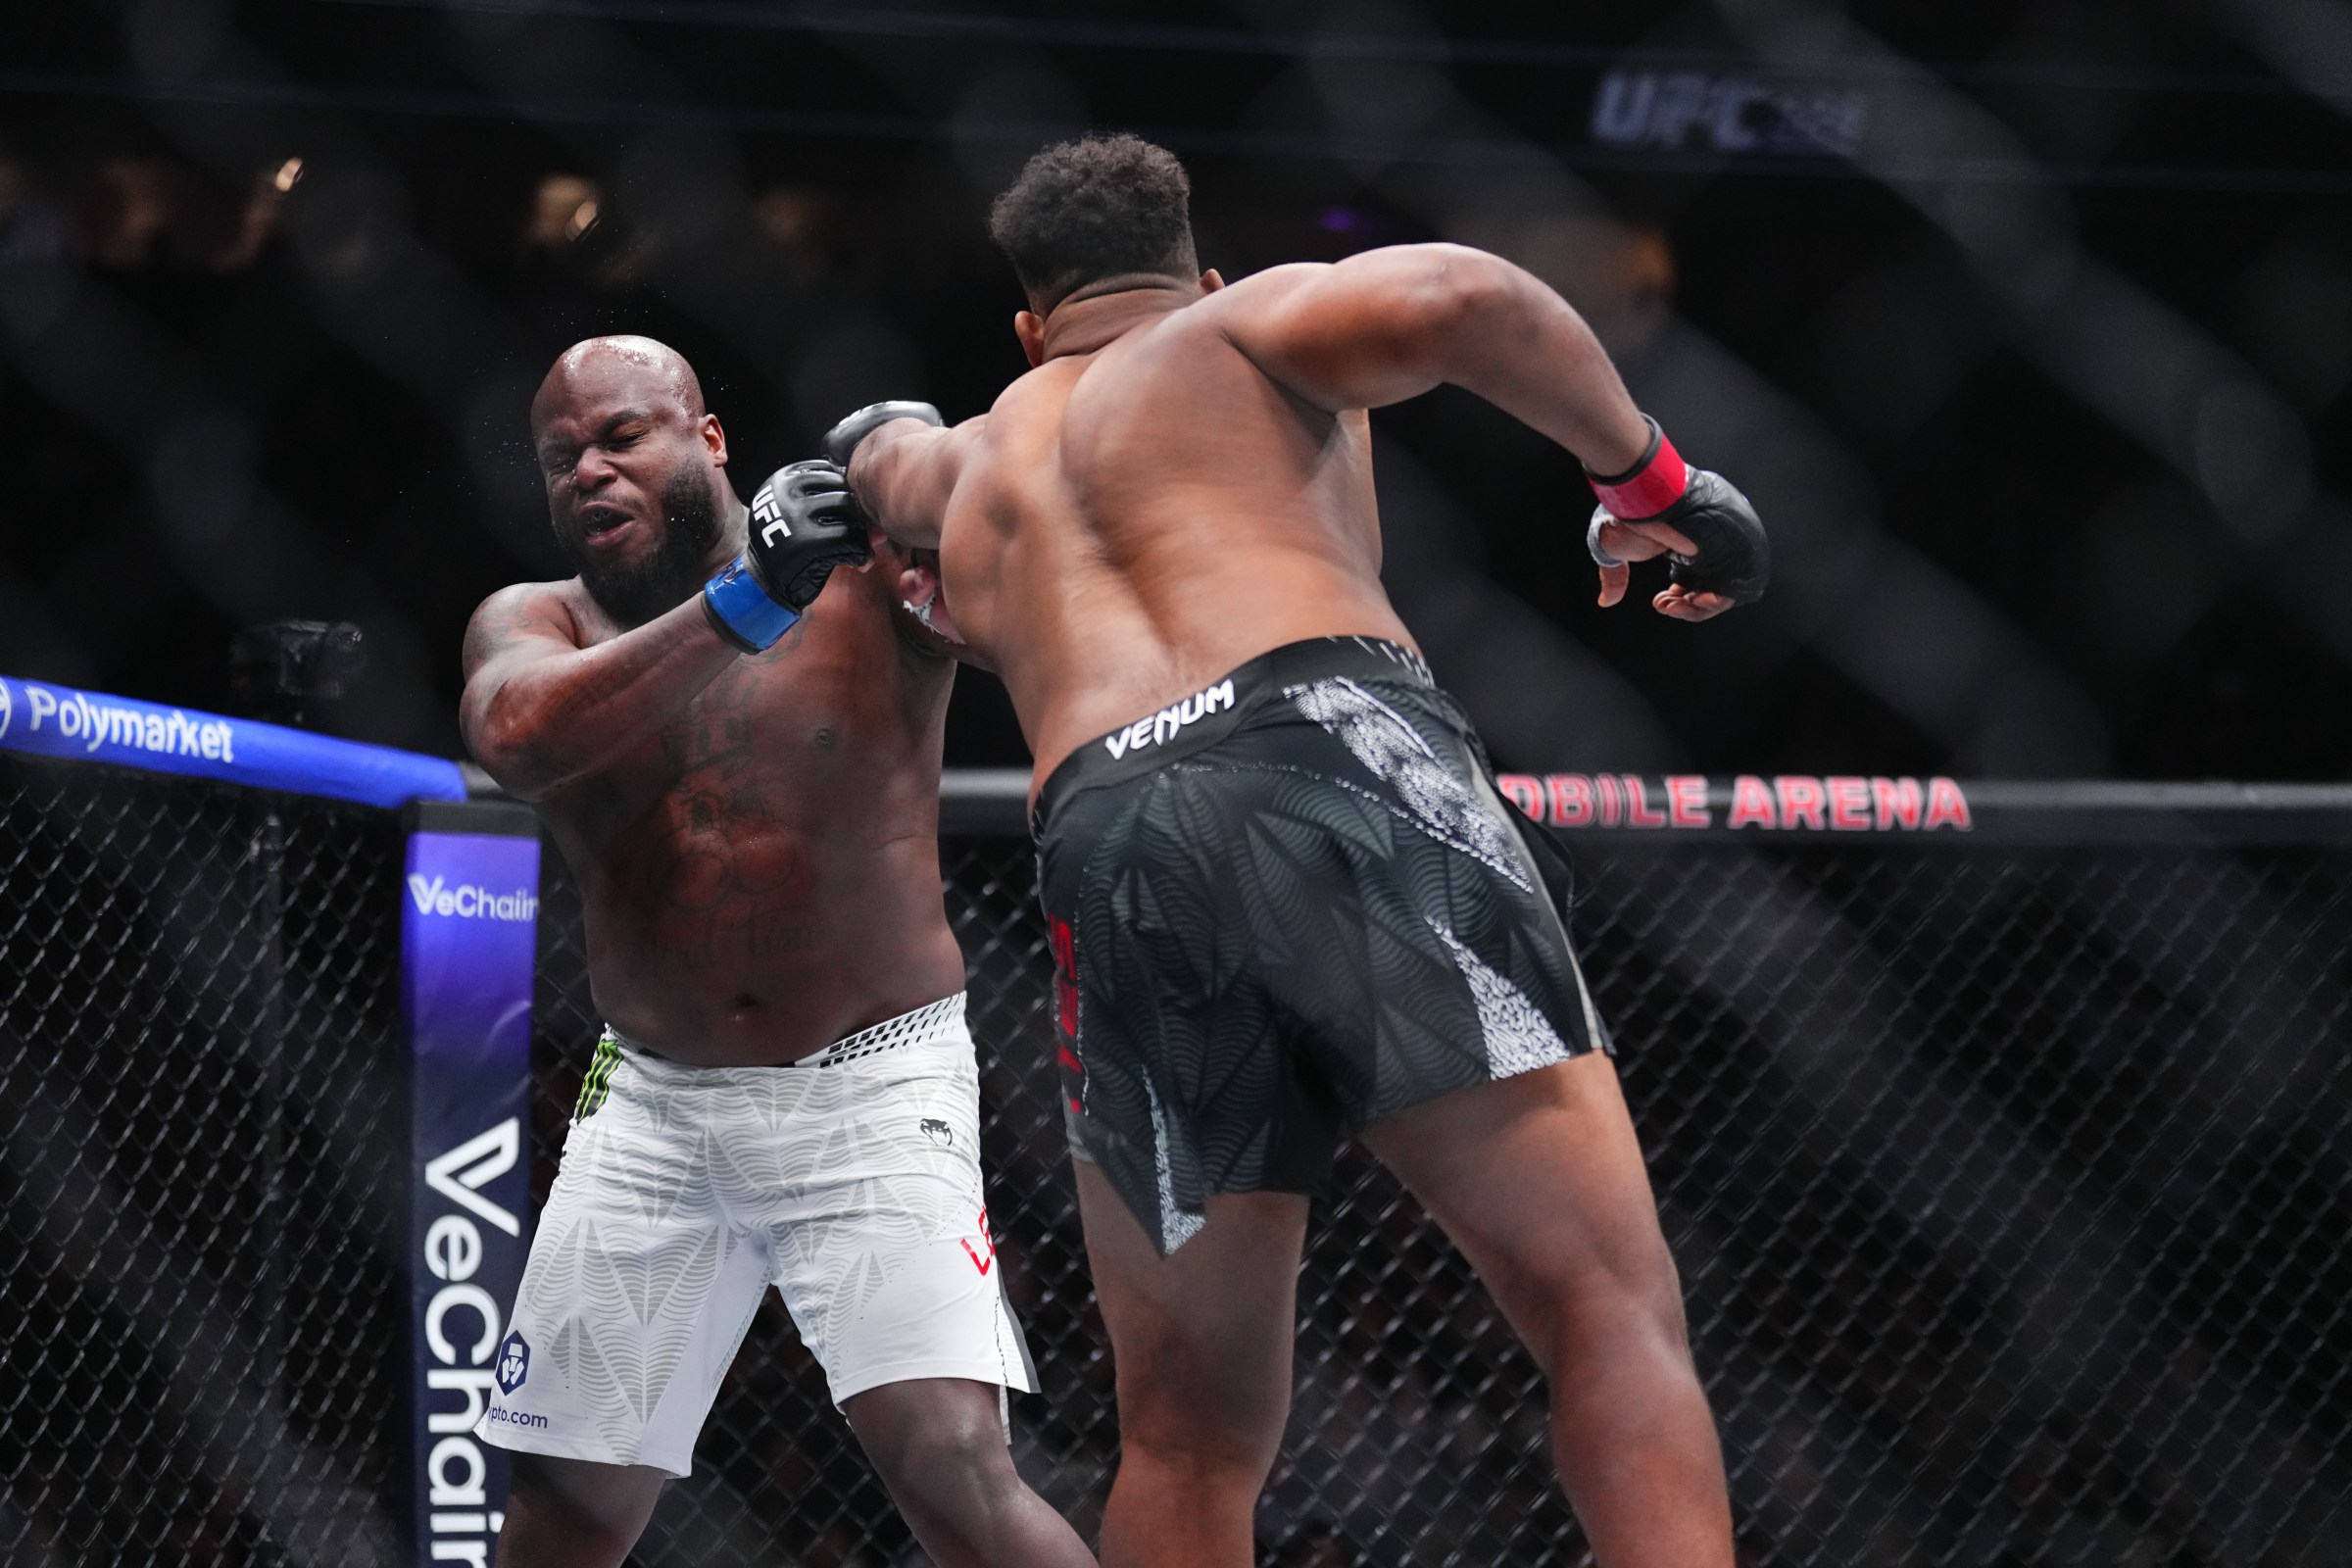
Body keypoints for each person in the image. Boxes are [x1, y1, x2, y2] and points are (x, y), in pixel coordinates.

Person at [832, 136, 1767, 1568]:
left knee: (1187, 1440)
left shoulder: (964, 462)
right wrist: (1651, 479)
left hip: (1106, 833)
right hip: (1320, 744)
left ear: (1028, 329)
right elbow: (1468, 295)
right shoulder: (1235, 326)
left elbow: (871, 456)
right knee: (1603, 1302)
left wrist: (882, 457)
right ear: (1195, 272)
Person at [458, 335, 1095, 1568]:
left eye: (621, 436)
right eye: (561, 456)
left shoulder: (865, 575)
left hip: (871, 1078)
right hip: (651, 1100)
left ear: (706, 441)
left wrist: (917, 486)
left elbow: (1020, 545)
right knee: (560, 1513)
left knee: (954, 1471)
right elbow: (517, 738)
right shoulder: (536, 622)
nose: (588, 470)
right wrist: (746, 600)